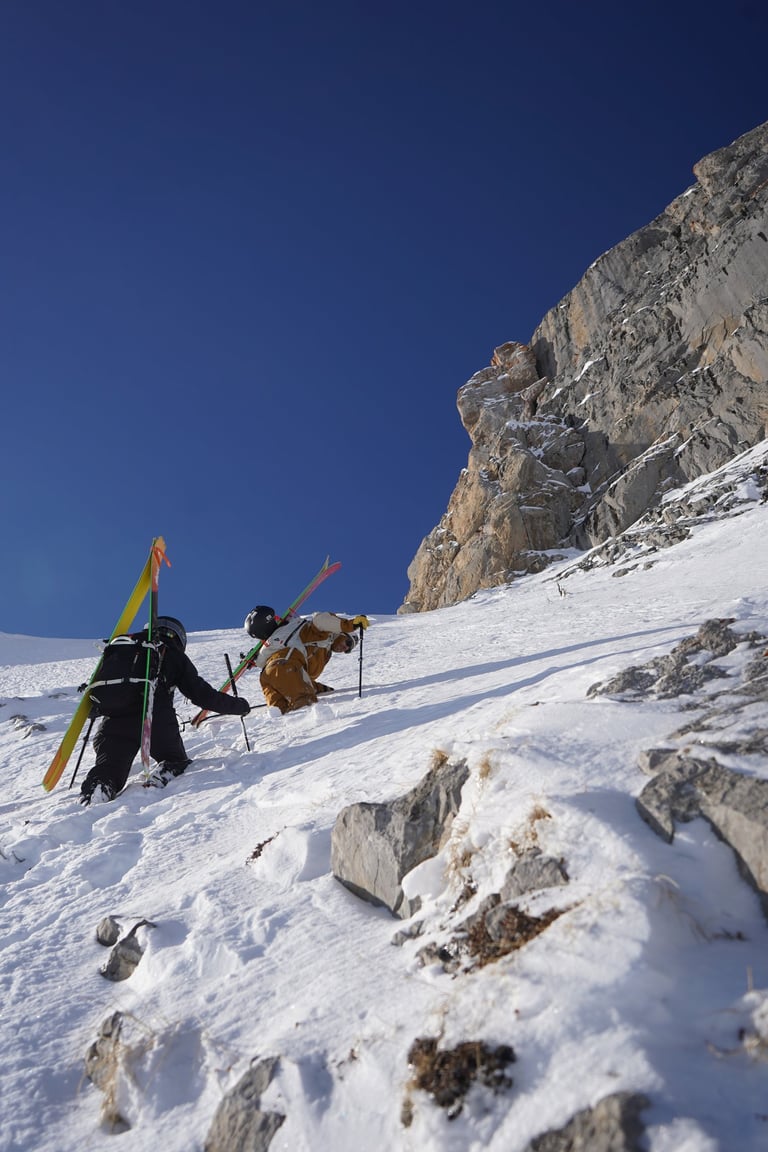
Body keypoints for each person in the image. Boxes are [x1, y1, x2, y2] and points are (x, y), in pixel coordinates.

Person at [79, 616, 251, 805]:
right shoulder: (171, 652)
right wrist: (240, 706)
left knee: (108, 769)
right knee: (175, 760)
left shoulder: (123, 647)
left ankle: (98, 790)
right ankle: (162, 775)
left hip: (114, 719)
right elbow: (203, 695)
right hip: (155, 716)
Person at [243, 606, 370, 714]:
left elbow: (303, 676)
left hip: (269, 677)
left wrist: (324, 690)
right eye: (348, 642)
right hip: (283, 666)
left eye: (348, 649)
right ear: (341, 632)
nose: (345, 648)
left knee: (282, 717)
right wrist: (350, 625)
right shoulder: (322, 633)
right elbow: (321, 620)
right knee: (306, 708)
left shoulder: (323, 656)